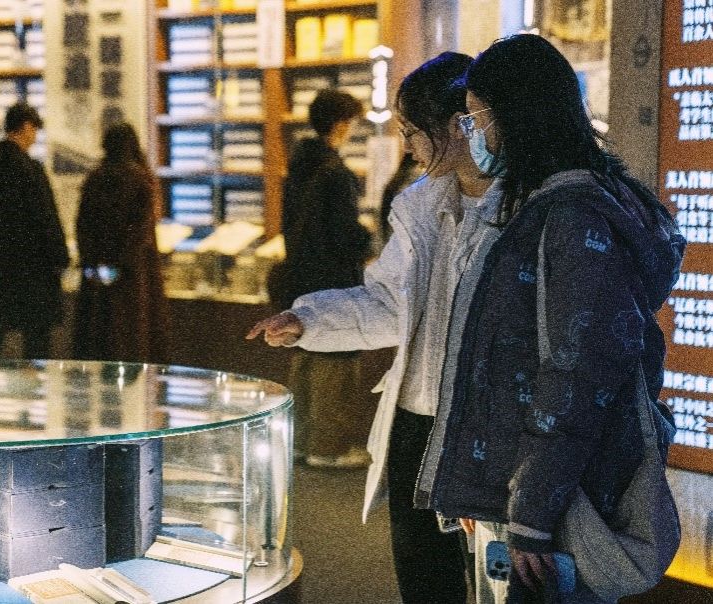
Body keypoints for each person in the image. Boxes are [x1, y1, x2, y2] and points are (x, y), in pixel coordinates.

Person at [414, 34, 685, 603]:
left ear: (514, 115)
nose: (472, 133)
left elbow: (575, 375)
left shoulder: (570, 217)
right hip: (533, 486)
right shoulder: (554, 203)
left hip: (552, 502)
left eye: (475, 118)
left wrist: (530, 515)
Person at [248, 52, 501, 602]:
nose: (406, 145)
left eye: (412, 131)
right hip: (415, 423)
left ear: (459, 124)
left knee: (497, 579)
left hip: (487, 428)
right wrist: (309, 319)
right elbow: (389, 302)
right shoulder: (421, 206)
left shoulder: (528, 209)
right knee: (424, 578)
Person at [272, 88, 372, 469]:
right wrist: (368, 239)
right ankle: (328, 447)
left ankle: (300, 441)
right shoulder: (336, 174)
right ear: (340, 125)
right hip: (334, 280)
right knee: (336, 361)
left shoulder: (297, 168)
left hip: (301, 278)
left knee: (305, 356)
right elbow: (345, 235)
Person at [0, 103, 69, 359]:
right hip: (32, 272)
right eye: (34, 130)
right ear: (26, 127)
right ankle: (36, 384)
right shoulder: (30, 169)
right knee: (36, 343)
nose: (34, 137)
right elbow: (46, 219)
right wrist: (60, 257)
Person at [73, 122, 169, 362]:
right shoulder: (141, 179)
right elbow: (140, 231)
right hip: (133, 275)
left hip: (97, 272)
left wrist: (94, 262)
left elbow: (83, 225)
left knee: (98, 337)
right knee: (132, 340)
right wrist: (124, 264)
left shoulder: (95, 178)